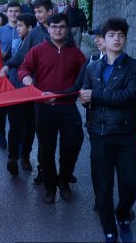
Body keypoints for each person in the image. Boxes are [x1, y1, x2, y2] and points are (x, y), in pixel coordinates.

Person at [79, 18, 136, 243]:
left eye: (121, 35)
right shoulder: (92, 68)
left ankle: (123, 215)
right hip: (99, 135)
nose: (117, 39)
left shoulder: (135, 67)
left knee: (131, 183)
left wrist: (94, 96)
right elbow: (86, 99)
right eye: (112, 35)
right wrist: (85, 100)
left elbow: (130, 97)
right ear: (103, 41)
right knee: (103, 189)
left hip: (125, 134)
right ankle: (109, 233)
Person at [18, 13, 86, 204]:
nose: (58, 30)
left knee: (71, 145)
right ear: (48, 28)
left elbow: (86, 76)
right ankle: (50, 187)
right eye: (54, 26)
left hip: (68, 107)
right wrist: (26, 78)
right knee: (46, 149)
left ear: (67, 29)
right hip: (44, 107)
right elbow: (24, 68)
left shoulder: (76, 53)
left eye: (62, 27)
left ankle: (63, 180)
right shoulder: (38, 50)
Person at [2, 13, 37, 175]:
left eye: (21, 26)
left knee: (30, 127)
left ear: (30, 28)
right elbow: (12, 59)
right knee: (15, 125)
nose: (17, 28)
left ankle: (25, 156)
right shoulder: (16, 42)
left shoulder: (37, 44)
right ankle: (12, 157)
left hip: (31, 91)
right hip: (14, 89)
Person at [0, 1, 22, 150]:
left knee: (18, 107)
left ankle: (17, 137)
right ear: (7, 13)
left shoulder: (24, 28)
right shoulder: (0, 30)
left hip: (20, 72)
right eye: (10, 11)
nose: (13, 14)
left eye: (16, 11)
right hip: (3, 72)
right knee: (3, 107)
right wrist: (0, 55)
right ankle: (0, 134)